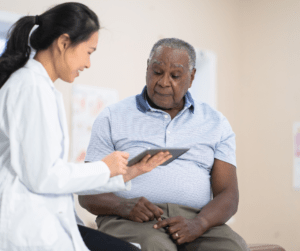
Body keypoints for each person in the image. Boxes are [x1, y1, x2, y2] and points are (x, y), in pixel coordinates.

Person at [0, 3, 172, 251]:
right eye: (89, 51)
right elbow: (43, 177)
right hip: (26, 227)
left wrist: (125, 173)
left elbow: (52, 173)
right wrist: (105, 167)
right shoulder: (30, 88)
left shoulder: (41, 88)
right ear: (63, 43)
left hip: (44, 221)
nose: (89, 63)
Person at [79, 38, 250, 251]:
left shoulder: (216, 123)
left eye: (175, 76)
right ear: (147, 69)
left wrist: (199, 224)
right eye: (157, 72)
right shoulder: (112, 117)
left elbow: (228, 194)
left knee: (233, 247)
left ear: (192, 77)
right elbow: (87, 192)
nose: (164, 82)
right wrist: (123, 206)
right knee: (156, 246)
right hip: (128, 219)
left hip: (197, 221)